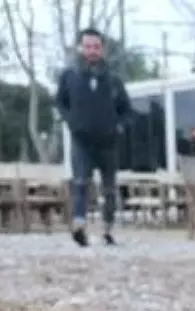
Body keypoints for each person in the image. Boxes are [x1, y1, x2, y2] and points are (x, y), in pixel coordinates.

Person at [55, 28, 130, 247]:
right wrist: (71, 121)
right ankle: (79, 226)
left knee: (109, 189)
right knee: (80, 184)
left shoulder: (113, 80)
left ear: (102, 49)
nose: (92, 51)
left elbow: (126, 110)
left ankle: (107, 230)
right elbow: (60, 102)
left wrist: (119, 127)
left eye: (96, 47)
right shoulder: (69, 76)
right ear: (80, 48)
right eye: (88, 47)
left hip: (108, 142)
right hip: (82, 141)